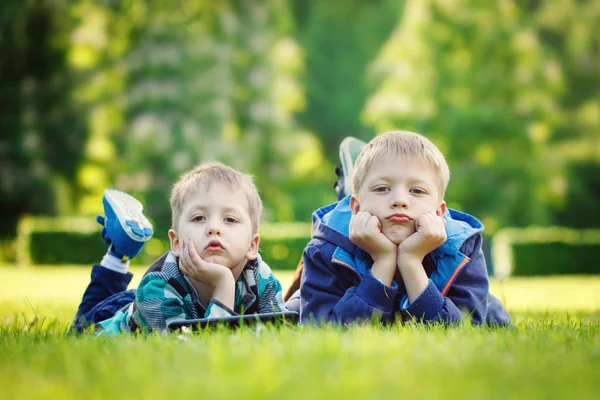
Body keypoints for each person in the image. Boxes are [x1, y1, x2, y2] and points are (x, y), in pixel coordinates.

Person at [299, 131, 511, 326]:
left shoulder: (462, 248)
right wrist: (383, 260)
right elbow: (321, 328)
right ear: (356, 207)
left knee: (494, 317)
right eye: (382, 188)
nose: (399, 200)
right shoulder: (325, 249)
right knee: (293, 308)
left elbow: (464, 330)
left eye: (417, 191)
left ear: (439, 212)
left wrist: (410, 261)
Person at [72, 161, 289, 334]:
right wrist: (223, 283)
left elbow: (281, 331)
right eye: (198, 218)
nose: (214, 228)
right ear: (176, 243)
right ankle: (117, 256)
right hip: (127, 312)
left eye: (230, 220)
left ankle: (120, 252)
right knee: (80, 329)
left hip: (155, 302)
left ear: (252, 245)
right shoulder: (156, 287)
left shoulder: (260, 276)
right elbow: (201, 350)